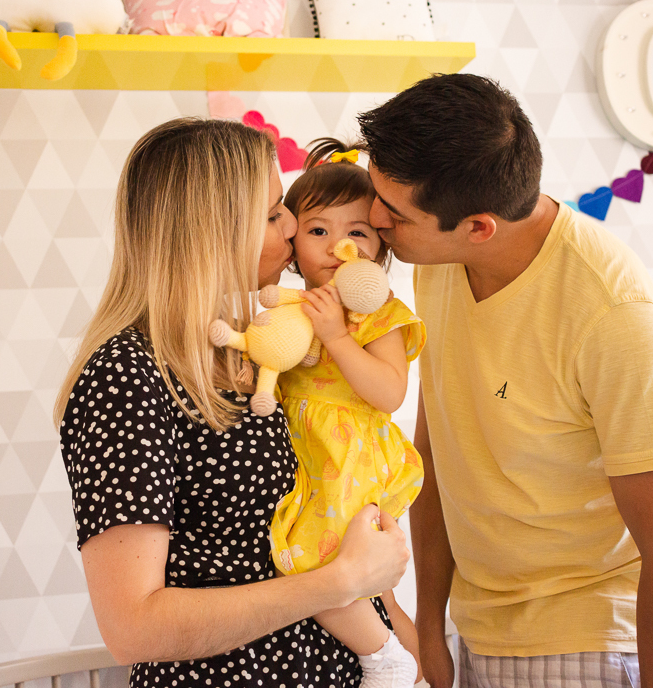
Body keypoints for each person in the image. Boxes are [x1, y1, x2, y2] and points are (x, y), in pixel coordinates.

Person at [359, 74, 653, 688]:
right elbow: (438, 456)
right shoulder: (440, 263)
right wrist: (430, 626)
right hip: (479, 632)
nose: (374, 218)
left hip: (588, 641)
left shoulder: (615, 317)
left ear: (479, 226)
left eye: (396, 213)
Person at [54, 118, 411, 688]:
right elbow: (133, 628)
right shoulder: (127, 375)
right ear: (212, 232)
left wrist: (407, 650)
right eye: (273, 214)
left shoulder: (258, 343)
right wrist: (339, 584)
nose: (293, 225)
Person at [268, 138, 427, 688]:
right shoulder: (283, 306)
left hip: (348, 457)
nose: (338, 246)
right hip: (303, 454)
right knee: (367, 586)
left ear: (380, 247)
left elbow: (387, 393)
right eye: (319, 230)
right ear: (292, 246)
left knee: (318, 560)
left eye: (356, 231)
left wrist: (337, 335)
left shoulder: (379, 313)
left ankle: (384, 656)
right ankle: (415, 666)